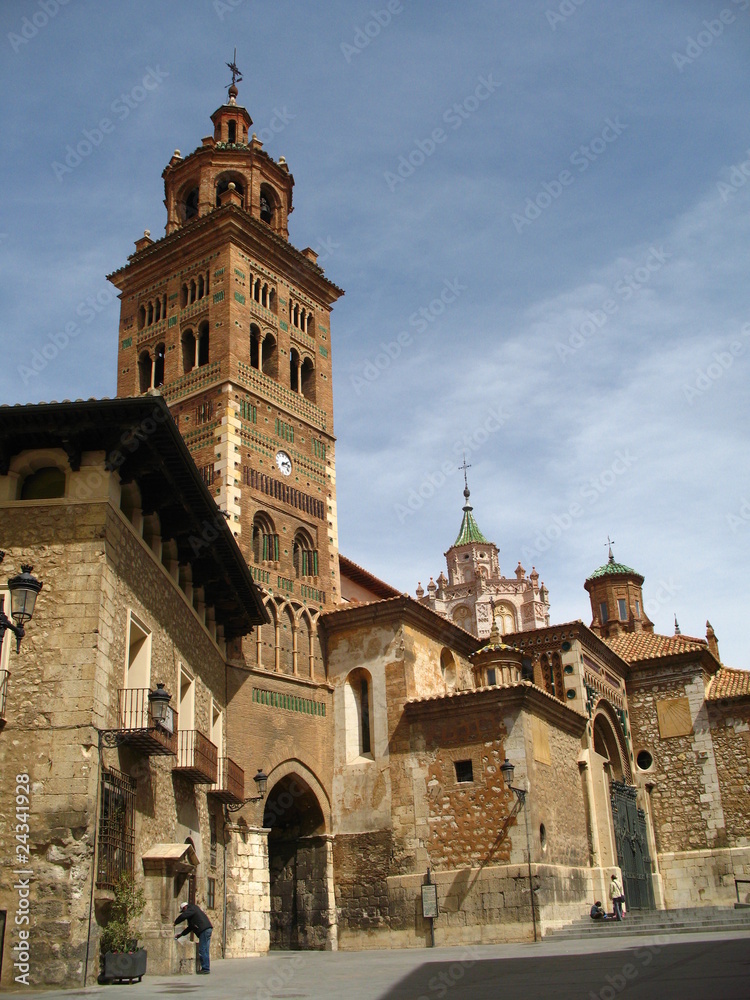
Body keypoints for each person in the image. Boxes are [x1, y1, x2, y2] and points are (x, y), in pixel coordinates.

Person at [174, 901, 213, 974]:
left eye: (183, 911)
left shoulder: (191, 908)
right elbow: (190, 928)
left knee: (202, 950)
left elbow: (183, 916)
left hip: (203, 930)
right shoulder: (193, 913)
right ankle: (206, 967)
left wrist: (175, 922)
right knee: (205, 950)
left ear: (185, 907)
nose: (183, 913)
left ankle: (205, 968)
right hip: (207, 929)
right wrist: (181, 934)